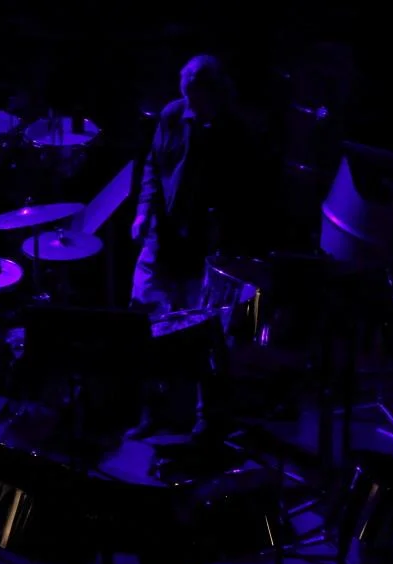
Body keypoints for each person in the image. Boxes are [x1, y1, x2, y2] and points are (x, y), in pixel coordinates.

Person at [128, 54, 263, 439]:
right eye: (184, 96)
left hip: (205, 246)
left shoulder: (236, 133)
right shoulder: (173, 116)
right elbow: (154, 168)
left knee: (205, 332)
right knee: (147, 321)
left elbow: (245, 197)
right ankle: (153, 412)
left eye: (196, 98)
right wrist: (143, 213)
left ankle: (208, 418)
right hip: (163, 239)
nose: (189, 106)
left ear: (216, 95)